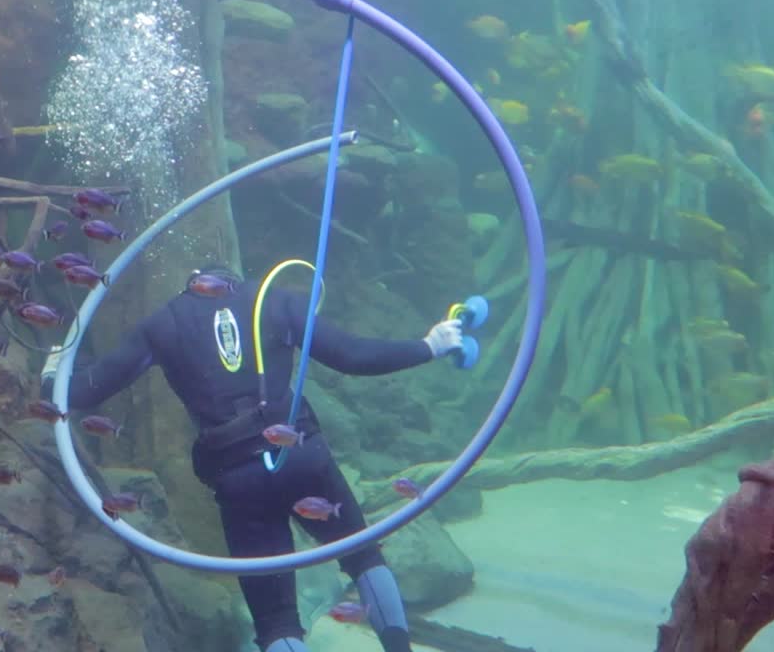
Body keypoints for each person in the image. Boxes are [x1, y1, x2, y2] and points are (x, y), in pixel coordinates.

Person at [40, 265, 465, 652]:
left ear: (191, 283)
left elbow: (81, 394)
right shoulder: (274, 299)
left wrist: (53, 373)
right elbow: (353, 356)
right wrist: (429, 346)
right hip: (301, 455)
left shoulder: (163, 324)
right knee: (363, 556)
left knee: (277, 621)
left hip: (238, 477)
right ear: (231, 281)